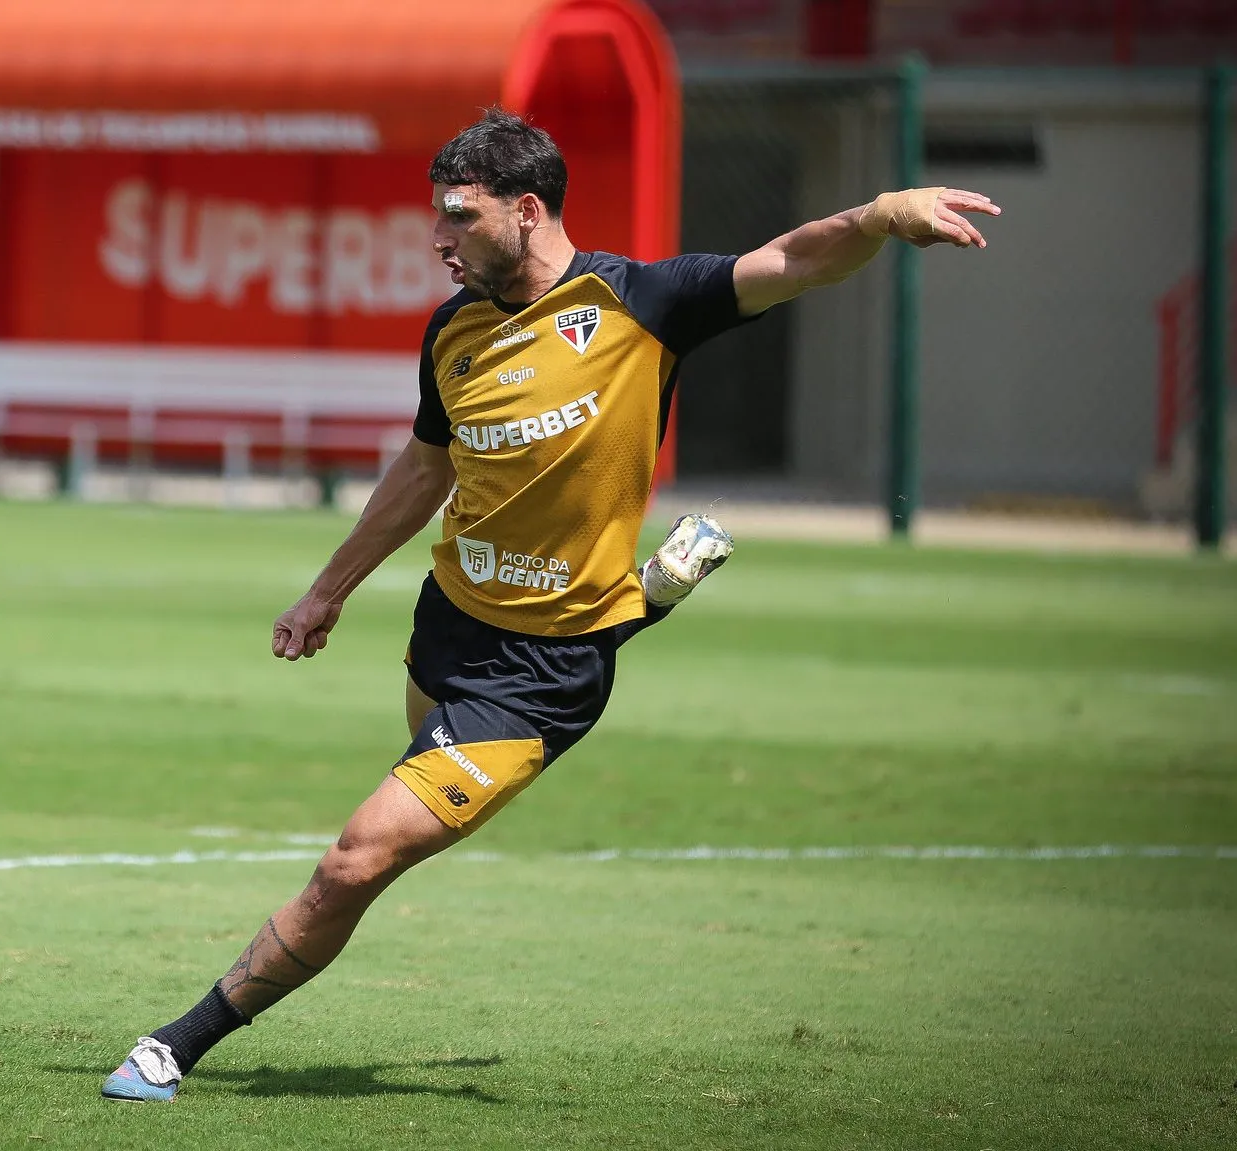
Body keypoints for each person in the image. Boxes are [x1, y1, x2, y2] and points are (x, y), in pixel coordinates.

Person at [101, 108, 998, 1102]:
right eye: (434, 219)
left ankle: (175, 1043)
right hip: (447, 626)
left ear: (527, 212)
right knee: (406, 782)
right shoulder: (453, 330)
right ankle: (642, 592)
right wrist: (327, 589)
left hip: (538, 679)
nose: (437, 241)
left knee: (355, 861)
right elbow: (424, 467)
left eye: (459, 218)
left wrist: (877, 213)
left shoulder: (640, 303)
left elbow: (788, 259)